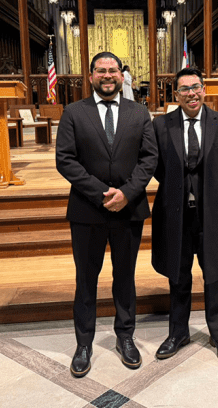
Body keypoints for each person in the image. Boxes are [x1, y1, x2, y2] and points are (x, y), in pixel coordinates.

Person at [55, 52, 157, 378]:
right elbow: (66, 160)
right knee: (86, 280)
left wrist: (127, 192)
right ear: (91, 76)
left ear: (122, 76)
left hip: (129, 210)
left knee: (124, 277)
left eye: (113, 70)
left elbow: (149, 158)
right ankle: (83, 343)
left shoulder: (139, 113)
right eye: (102, 70)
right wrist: (103, 194)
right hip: (87, 211)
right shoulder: (73, 113)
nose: (108, 75)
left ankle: (125, 337)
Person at [151, 67, 218, 364]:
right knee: (178, 274)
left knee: (215, 274)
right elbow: (158, 169)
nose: (191, 93)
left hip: (211, 212)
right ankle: (178, 333)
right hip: (175, 213)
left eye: (196, 87)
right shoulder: (161, 126)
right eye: (185, 89)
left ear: (204, 90)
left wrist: (206, 190)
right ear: (176, 94)